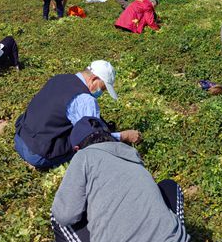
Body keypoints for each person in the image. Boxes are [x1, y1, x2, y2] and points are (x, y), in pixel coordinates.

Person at [50, 120, 190, 242]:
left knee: (59, 217)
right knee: (169, 186)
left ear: (76, 148)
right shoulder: (131, 153)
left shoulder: (83, 157)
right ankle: (173, 238)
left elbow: (65, 215)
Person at [13, 61, 142, 170]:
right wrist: (124, 136)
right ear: (94, 79)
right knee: (86, 143)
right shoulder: (85, 100)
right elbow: (94, 141)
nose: (101, 93)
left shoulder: (60, 78)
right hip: (37, 154)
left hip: (20, 137)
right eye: (102, 89)